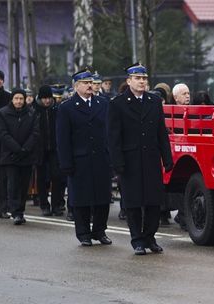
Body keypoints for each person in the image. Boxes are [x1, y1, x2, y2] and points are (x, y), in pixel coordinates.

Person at [107, 63, 173, 255]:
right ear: (129, 81)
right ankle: (137, 240)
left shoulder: (153, 101)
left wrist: (166, 158)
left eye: (144, 78)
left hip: (151, 159)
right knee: (133, 203)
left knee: (153, 202)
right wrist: (117, 162)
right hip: (130, 161)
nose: (142, 81)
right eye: (137, 78)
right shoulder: (117, 104)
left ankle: (150, 237)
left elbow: (161, 132)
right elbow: (113, 137)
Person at [56, 69, 113, 246]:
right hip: (79, 160)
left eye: (91, 82)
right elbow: (63, 138)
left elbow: (109, 132)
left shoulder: (103, 103)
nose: (90, 85)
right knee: (81, 199)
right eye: (85, 82)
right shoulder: (66, 107)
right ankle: (83, 233)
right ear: (76, 86)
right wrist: (66, 163)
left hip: (101, 159)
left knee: (102, 198)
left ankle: (99, 231)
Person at [0, 88, 39, 225]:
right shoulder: (2, 113)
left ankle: (20, 210)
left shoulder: (31, 113)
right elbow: (3, 134)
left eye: (21, 99)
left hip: (26, 155)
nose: (19, 101)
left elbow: (35, 133)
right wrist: (17, 149)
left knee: (24, 185)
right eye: (16, 98)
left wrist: (25, 149)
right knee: (12, 184)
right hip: (10, 155)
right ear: (12, 99)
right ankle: (15, 212)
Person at [33, 85, 65, 216]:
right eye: (44, 98)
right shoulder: (34, 111)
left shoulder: (56, 110)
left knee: (56, 176)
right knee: (41, 179)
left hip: (54, 149)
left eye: (48, 98)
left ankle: (56, 205)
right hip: (40, 150)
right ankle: (44, 204)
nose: (46, 101)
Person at [0, 70, 11, 219]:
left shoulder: (8, 97)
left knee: (3, 177)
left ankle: (2, 208)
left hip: (3, 142)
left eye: (1, 78)